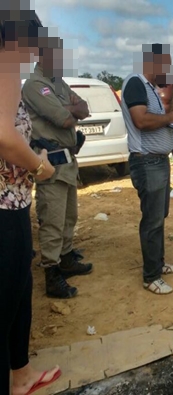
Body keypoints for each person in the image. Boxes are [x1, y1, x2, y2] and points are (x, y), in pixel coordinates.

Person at [0, 10, 61, 395]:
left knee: (20, 290)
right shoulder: (6, 65)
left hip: (14, 201)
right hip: (5, 207)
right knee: (7, 299)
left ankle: (21, 376)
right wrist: (39, 166)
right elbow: (5, 138)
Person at [22, 40, 94, 299]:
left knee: (68, 216)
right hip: (50, 162)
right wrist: (69, 110)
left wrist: (69, 109)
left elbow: (84, 109)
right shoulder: (35, 85)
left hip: (68, 162)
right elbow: (64, 119)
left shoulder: (58, 83)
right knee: (51, 220)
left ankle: (66, 258)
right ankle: (52, 274)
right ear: (42, 56)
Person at [121, 43, 173, 295]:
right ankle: (151, 276)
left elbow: (157, 121)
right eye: (166, 64)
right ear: (154, 62)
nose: (168, 70)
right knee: (151, 220)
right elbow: (141, 121)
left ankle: (158, 264)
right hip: (147, 162)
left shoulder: (150, 88)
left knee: (159, 217)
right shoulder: (135, 83)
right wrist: (170, 118)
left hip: (157, 161)